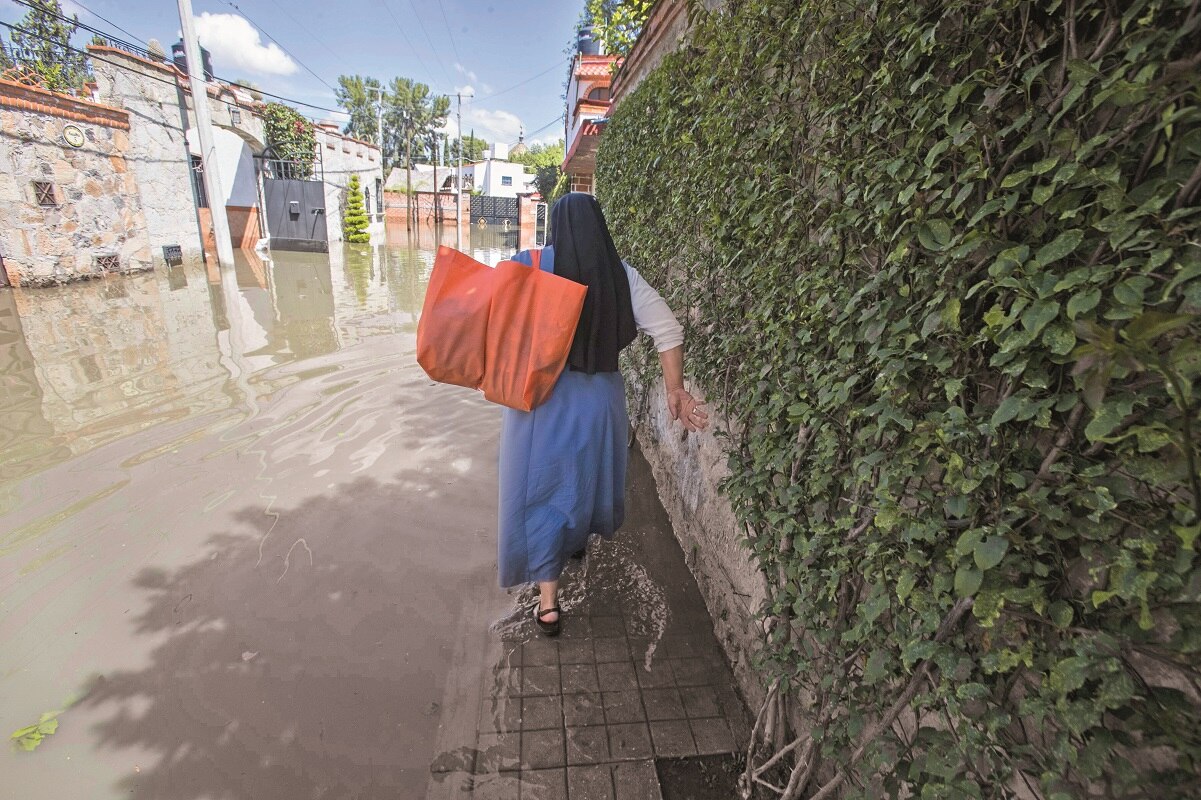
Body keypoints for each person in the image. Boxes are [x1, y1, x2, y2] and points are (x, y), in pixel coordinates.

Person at [500, 192, 708, 637]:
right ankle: (574, 542)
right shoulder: (622, 274)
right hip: (601, 405)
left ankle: (549, 603)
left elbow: (493, 317)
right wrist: (677, 391)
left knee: (541, 489)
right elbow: (668, 331)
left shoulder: (531, 262)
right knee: (582, 480)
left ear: (554, 226)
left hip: (542, 401)